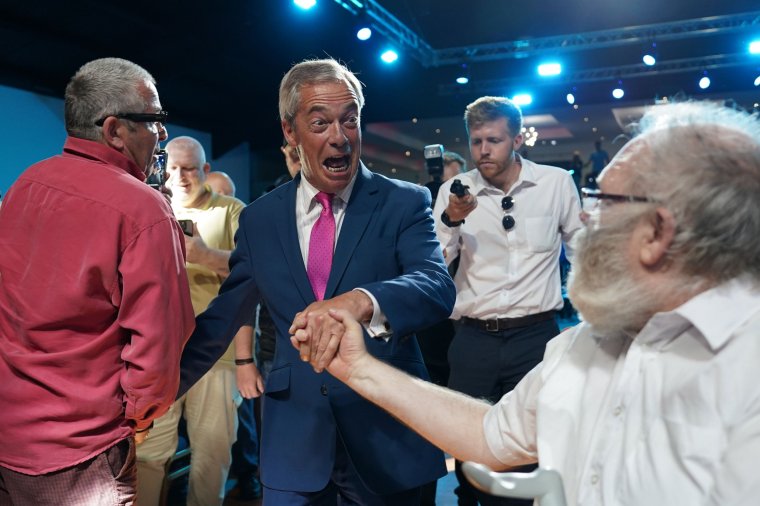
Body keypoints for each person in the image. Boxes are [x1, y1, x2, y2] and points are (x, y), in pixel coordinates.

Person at [302, 100, 760, 506]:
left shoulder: (746, 365)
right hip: (476, 336)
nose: (585, 215)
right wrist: (359, 367)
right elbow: (491, 434)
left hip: (532, 330)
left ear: (658, 232)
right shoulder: (581, 348)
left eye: (603, 201)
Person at [178, 57, 456, 505]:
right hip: (295, 440)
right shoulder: (260, 219)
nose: (340, 137)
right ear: (290, 132)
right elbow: (222, 318)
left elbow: (436, 286)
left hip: (389, 434)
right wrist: (159, 391)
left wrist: (363, 301)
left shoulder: (403, 202)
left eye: (350, 120)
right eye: (321, 122)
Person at [0, 57, 194, 505]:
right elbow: (160, 345)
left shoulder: (24, 185)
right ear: (113, 130)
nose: (162, 132)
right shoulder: (144, 210)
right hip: (83, 450)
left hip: (10, 436)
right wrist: (138, 419)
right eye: (154, 119)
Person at [432, 96, 582, 505]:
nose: (483, 151)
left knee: (530, 443)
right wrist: (452, 219)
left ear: (516, 139)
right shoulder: (453, 190)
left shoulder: (554, 183)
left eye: (493, 140)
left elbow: (582, 251)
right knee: (467, 442)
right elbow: (432, 263)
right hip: (473, 337)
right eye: (476, 140)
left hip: (536, 337)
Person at [135, 136, 253, 506]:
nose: (181, 176)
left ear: (205, 170)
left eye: (189, 167)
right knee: (149, 456)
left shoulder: (232, 209)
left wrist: (202, 254)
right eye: (173, 167)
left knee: (212, 457)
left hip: (216, 353)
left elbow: (254, 271)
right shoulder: (152, 208)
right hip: (160, 353)